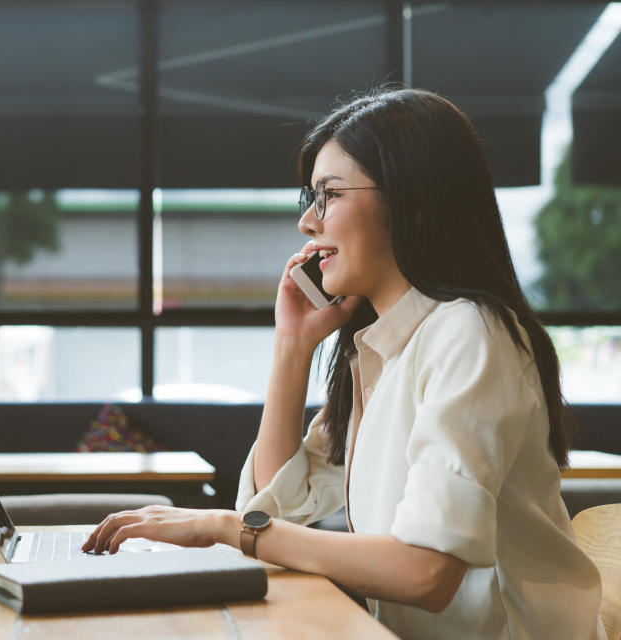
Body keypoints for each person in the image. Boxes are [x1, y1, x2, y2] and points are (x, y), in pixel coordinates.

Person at [82, 88, 605, 640]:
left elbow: (428, 571)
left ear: (413, 202)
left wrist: (222, 527)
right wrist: (292, 347)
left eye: (329, 195)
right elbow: (278, 508)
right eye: (309, 198)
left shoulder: (469, 331)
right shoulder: (380, 349)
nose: (308, 222)